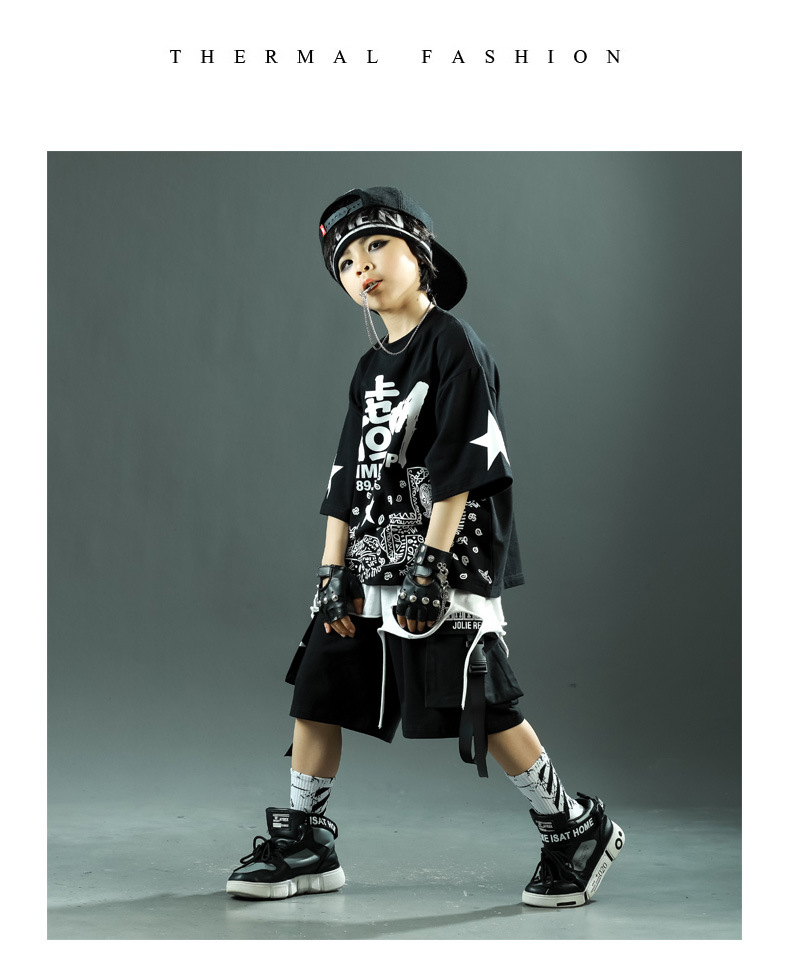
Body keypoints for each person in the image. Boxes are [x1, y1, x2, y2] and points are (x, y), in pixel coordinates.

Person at [226, 186, 625, 907]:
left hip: (444, 557)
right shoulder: (368, 368)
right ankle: (306, 840)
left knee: (477, 696)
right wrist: (330, 568)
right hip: (370, 558)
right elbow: (345, 474)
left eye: (377, 244)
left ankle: (572, 825)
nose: (362, 265)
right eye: (346, 261)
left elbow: (464, 461)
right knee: (318, 689)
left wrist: (434, 566)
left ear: (422, 255)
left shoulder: (454, 345)